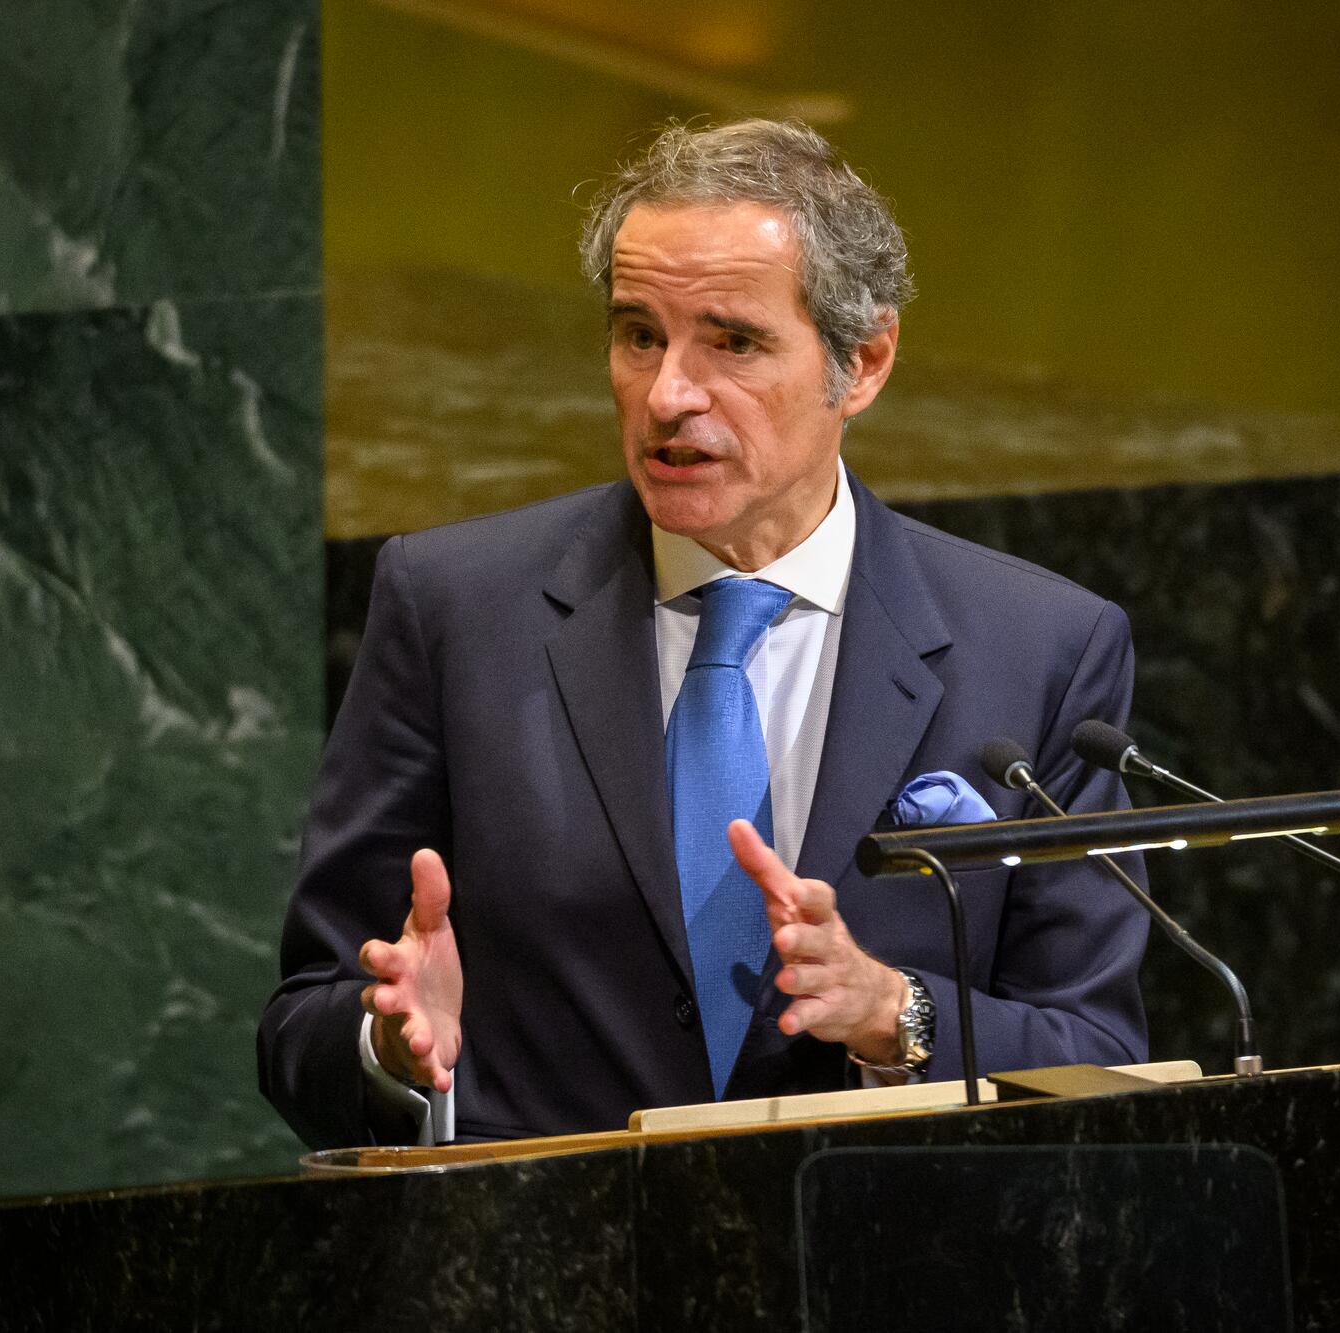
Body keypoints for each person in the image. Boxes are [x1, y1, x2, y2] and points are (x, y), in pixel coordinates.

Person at [259, 119, 1149, 1149]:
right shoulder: (454, 609)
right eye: (639, 334)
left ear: (861, 361)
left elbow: (1097, 1052)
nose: (668, 396)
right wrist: (387, 1047)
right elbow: (300, 1025)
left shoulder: (1038, 650)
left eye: (730, 340)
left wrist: (890, 1013)